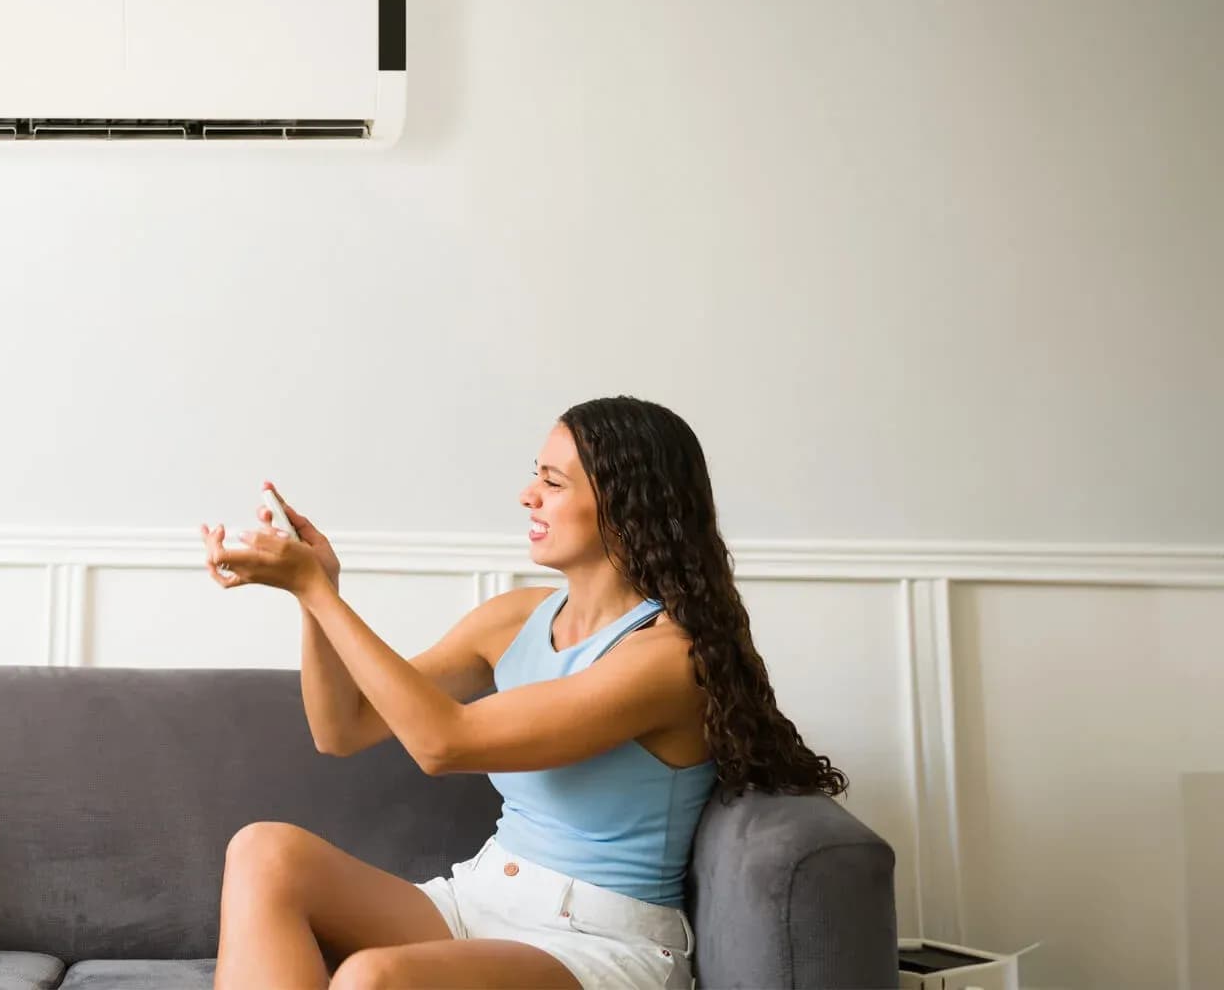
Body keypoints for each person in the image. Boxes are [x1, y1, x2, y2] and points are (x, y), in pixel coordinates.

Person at [198, 395, 847, 990]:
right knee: (265, 850)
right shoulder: (514, 621)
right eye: (535, 474)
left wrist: (314, 590)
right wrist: (319, 595)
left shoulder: (669, 659)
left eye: (552, 482)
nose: (526, 496)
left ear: (626, 504)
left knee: (375, 979)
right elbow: (341, 729)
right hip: (479, 902)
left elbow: (441, 744)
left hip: (596, 941)